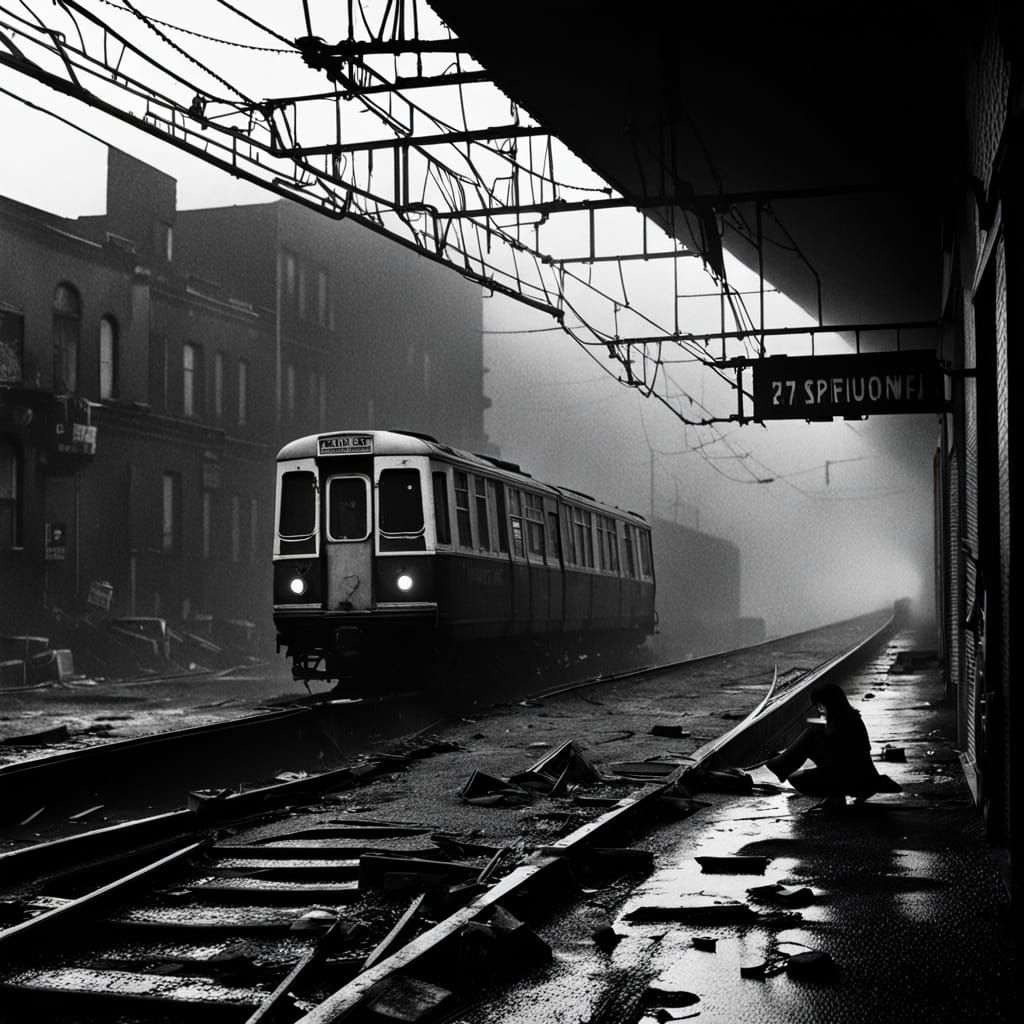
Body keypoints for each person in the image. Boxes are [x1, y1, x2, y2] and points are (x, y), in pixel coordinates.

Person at [765, 682, 897, 808]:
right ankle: (783, 763)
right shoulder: (850, 718)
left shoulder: (841, 724)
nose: (819, 711)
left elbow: (836, 762)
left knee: (797, 773)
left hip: (854, 782)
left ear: (826, 704)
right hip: (863, 779)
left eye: (819, 706)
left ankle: (781, 765)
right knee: (811, 737)